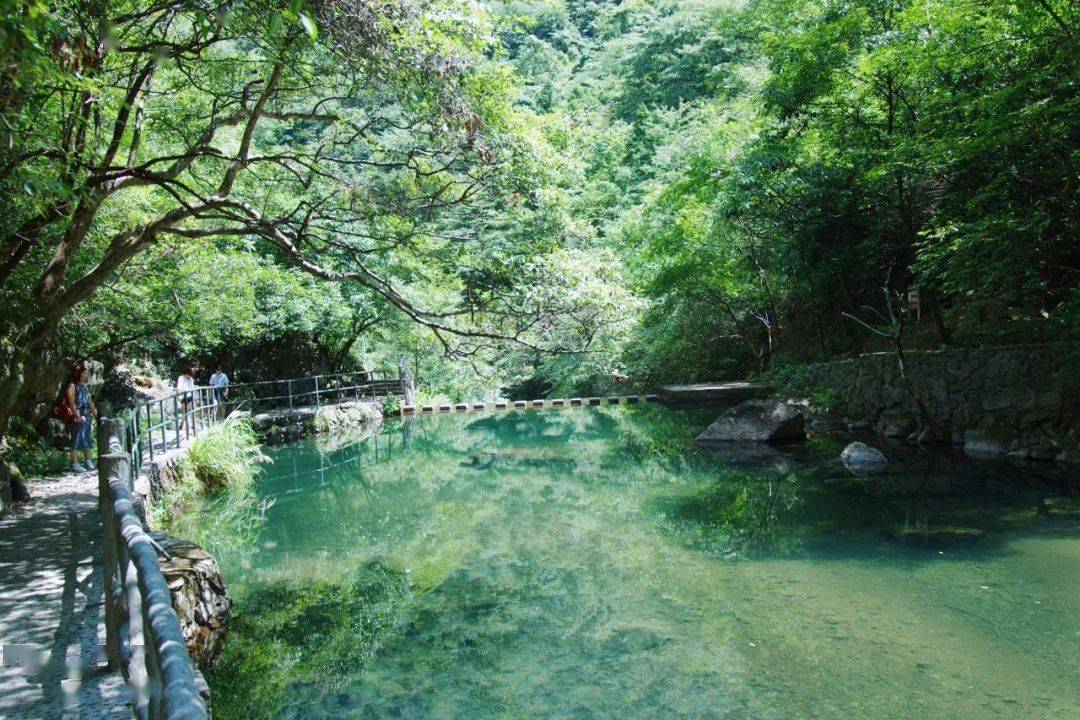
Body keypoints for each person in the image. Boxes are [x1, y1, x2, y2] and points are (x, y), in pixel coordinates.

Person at [62, 361, 97, 473]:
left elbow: (90, 402)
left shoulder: (84, 387)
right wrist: (77, 415)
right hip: (77, 414)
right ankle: (74, 463)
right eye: (84, 373)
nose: (86, 375)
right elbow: (71, 402)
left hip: (86, 414)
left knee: (86, 437)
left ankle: (87, 461)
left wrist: (97, 415)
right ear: (78, 373)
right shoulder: (72, 386)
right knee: (76, 438)